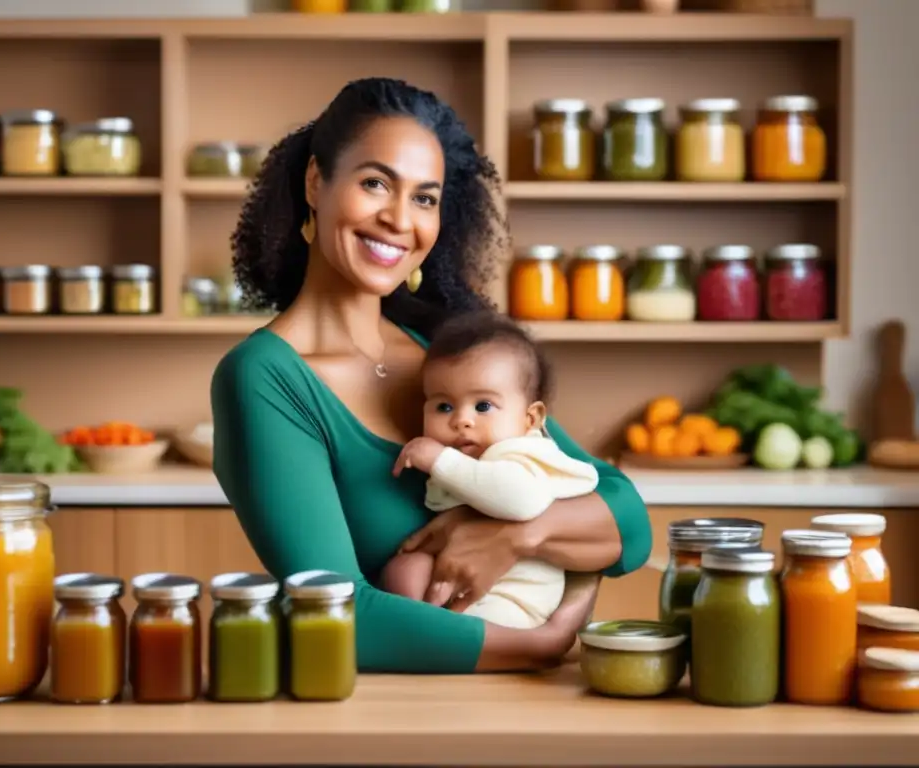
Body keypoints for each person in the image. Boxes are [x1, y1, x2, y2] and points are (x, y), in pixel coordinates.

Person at [211, 77, 651, 674]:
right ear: (317, 182)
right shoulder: (264, 379)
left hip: (525, 714)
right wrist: (539, 643)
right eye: (375, 184)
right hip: (386, 718)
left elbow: (625, 515)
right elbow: (335, 614)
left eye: (424, 198)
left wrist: (516, 536)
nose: (398, 219)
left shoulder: (445, 353)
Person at [383, 311, 601, 630]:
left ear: (531, 418)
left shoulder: (520, 451)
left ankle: (433, 631)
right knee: (404, 569)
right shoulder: (473, 458)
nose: (462, 420)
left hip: (515, 602)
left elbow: (521, 501)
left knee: (448, 617)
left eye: (483, 406)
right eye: (444, 406)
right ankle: (425, 625)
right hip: (467, 586)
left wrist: (440, 460)